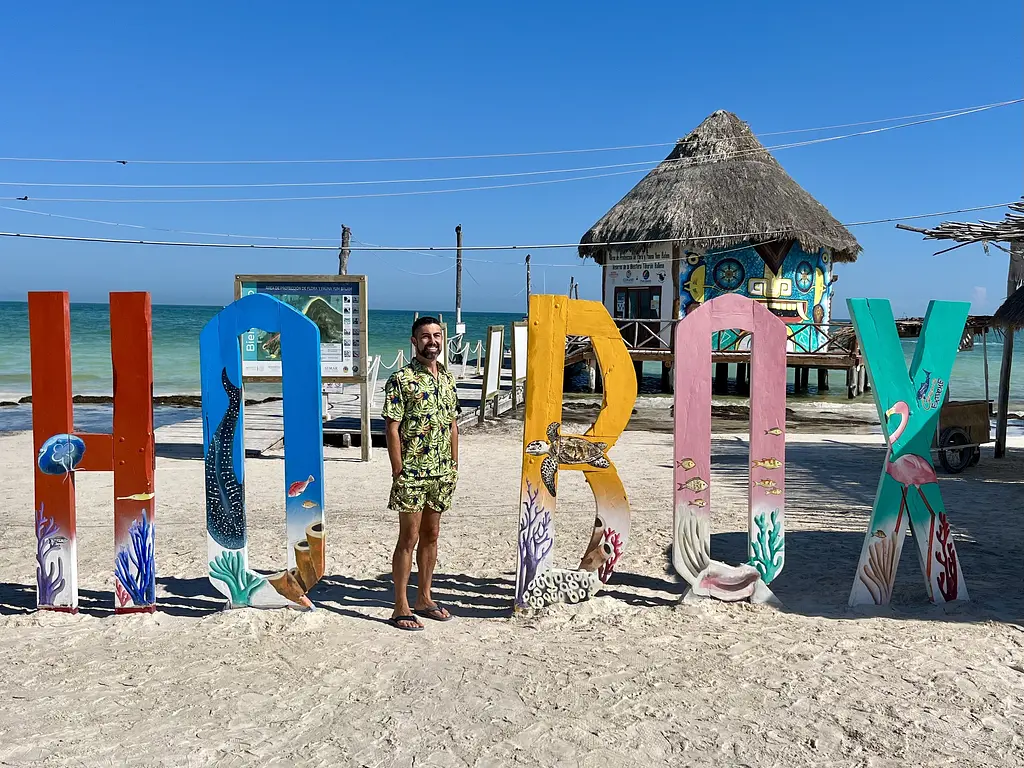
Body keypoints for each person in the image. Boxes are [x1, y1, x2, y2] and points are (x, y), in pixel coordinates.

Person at [382, 316, 461, 631]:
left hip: (442, 473)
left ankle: (424, 598)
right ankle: (400, 605)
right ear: (414, 342)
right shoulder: (400, 379)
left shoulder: (447, 377)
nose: (433, 341)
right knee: (409, 538)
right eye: (426, 336)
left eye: (437, 335)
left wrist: (454, 464)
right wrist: (398, 469)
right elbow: (392, 427)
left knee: (432, 535)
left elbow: (453, 423)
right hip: (413, 473)